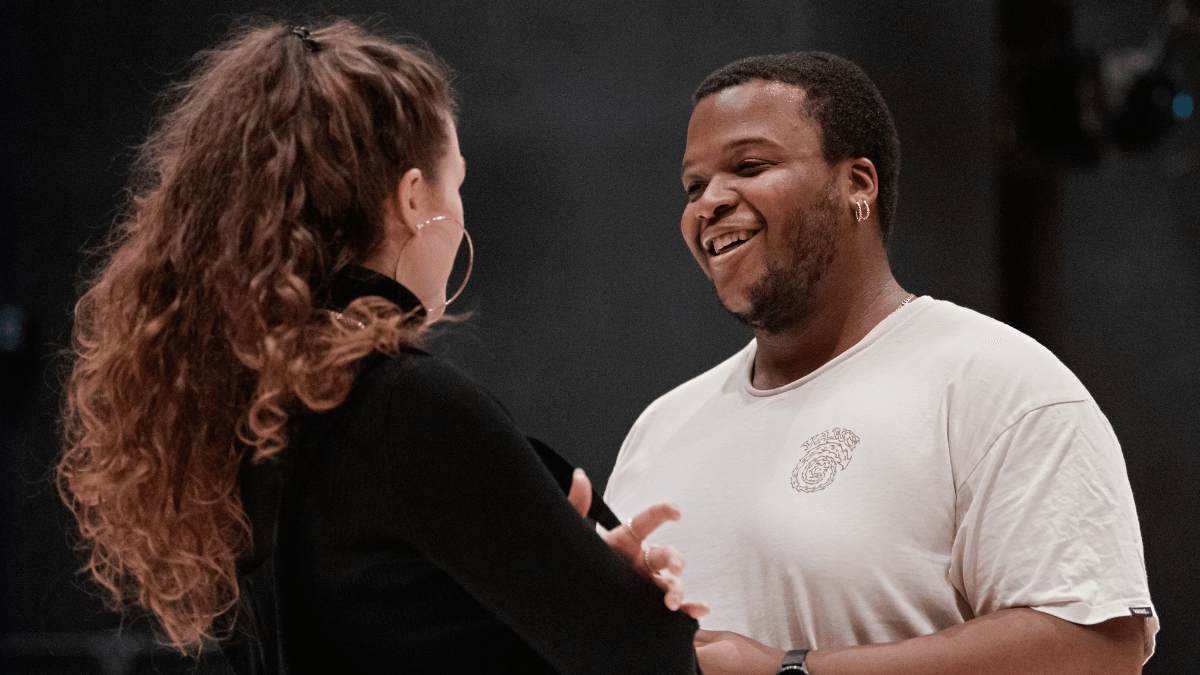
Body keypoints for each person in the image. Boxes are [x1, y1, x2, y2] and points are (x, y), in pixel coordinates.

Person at [56, 19, 705, 675]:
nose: (460, 213)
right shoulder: (407, 408)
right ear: (414, 198)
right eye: (456, 183)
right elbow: (650, 659)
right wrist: (622, 596)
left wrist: (570, 585)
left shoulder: (246, 415)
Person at [604, 52, 1156, 675]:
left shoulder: (997, 383)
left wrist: (792, 669)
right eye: (693, 187)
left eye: (750, 166)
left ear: (858, 185)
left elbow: (1100, 650)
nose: (709, 203)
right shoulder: (661, 428)